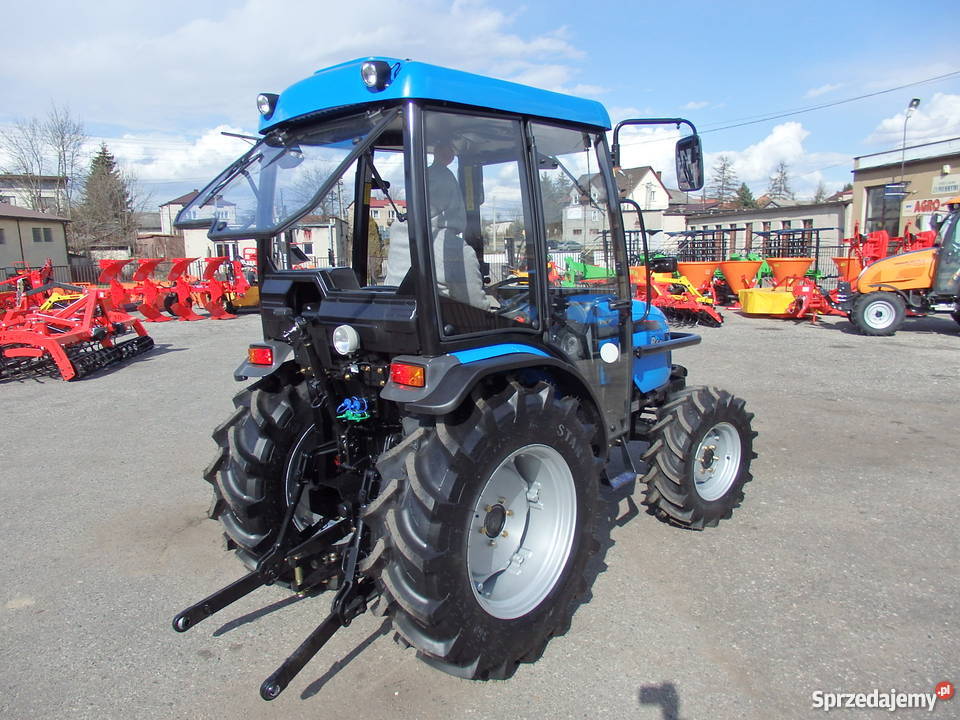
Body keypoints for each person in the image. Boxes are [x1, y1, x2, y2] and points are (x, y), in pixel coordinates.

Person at [383, 141, 495, 310]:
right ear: (454, 202)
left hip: (400, 324)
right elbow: (477, 310)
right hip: (440, 330)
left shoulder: (400, 235)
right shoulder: (454, 250)